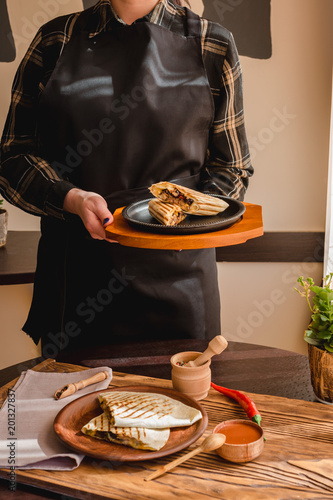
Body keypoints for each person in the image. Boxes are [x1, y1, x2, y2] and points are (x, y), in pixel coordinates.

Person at [0, 0, 253, 360]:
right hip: (77, 280)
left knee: (184, 411)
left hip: (181, 287)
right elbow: (13, 156)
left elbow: (232, 168)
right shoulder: (55, 39)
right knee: (72, 411)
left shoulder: (213, 44)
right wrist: (71, 198)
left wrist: (185, 219)